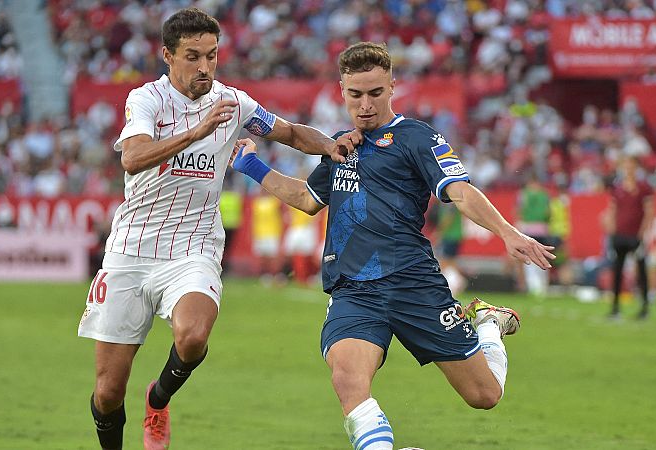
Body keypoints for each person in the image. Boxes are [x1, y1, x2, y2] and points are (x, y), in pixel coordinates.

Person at [231, 42, 554, 450]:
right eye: (355, 94)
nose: (364, 104)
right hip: (354, 289)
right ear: (342, 91)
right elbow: (307, 200)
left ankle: (488, 325)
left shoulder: (418, 138)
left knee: (483, 396)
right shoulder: (339, 146)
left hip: (413, 283)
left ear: (392, 88)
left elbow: (459, 190)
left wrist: (508, 232)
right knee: (348, 379)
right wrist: (253, 167)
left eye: (375, 93)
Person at [76, 8, 348, 450]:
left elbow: (290, 133)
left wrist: (333, 144)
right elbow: (132, 157)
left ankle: (158, 399)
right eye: (192, 56)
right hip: (131, 249)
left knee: (193, 336)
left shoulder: (233, 102)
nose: (204, 67)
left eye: (212, 55)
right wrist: (198, 131)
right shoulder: (146, 100)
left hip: (193, 248)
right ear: (167, 55)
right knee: (107, 393)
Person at [604, 156, 654, 319]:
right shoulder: (618, 188)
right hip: (619, 235)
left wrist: (642, 233)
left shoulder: (644, 187)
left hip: (635, 235)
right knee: (617, 270)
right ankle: (615, 306)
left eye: (631, 165)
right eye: (626, 165)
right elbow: (612, 210)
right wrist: (611, 229)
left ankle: (645, 306)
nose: (628, 169)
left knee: (641, 270)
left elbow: (649, 211)